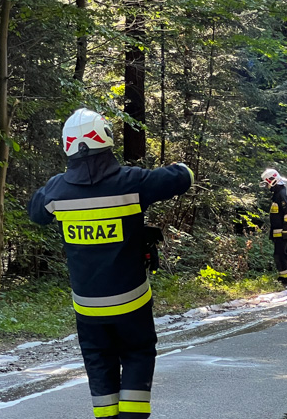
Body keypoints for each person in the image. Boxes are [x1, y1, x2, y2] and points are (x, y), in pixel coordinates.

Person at [27, 108, 193, 419]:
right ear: (106, 138)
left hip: (88, 307)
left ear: (66, 145)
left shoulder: (56, 191)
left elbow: (35, 212)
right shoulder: (132, 182)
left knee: (98, 361)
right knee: (137, 354)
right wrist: (182, 166)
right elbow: (181, 178)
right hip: (132, 301)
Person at [261, 168, 287, 284]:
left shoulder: (282, 194)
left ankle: (284, 278)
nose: (267, 186)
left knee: (279, 255)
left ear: (272, 180)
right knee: (284, 252)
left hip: (283, 232)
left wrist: (286, 231)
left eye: (267, 183)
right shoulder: (279, 193)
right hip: (280, 231)